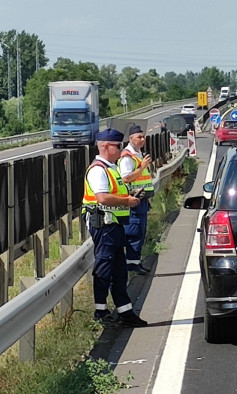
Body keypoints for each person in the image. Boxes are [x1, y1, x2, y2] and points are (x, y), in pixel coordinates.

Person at [83, 128, 148, 327]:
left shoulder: (110, 168)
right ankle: (101, 312)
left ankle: (125, 312)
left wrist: (131, 194)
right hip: (104, 225)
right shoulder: (98, 170)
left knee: (119, 270)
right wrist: (127, 202)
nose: (121, 149)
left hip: (115, 225)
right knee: (104, 267)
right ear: (105, 146)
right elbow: (102, 197)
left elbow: (114, 191)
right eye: (117, 146)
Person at [118, 125, 154, 275]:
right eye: (139, 137)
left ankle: (135, 264)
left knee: (140, 233)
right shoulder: (127, 157)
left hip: (142, 201)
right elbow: (126, 178)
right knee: (134, 233)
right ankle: (131, 266)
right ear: (131, 139)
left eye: (143, 136)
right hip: (133, 202)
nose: (142, 139)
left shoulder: (138, 154)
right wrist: (142, 167)